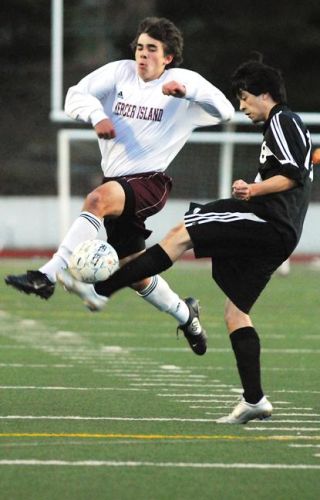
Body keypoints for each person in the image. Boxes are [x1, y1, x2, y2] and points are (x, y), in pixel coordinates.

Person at [57, 59, 313, 424]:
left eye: (244, 98)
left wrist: (253, 188)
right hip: (279, 233)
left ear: (265, 94)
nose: (242, 106)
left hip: (266, 219)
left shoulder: (282, 121)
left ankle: (100, 291)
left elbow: (292, 175)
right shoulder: (283, 125)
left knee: (181, 234)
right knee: (235, 313)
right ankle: (254, 399)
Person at [5, 17, 234, 355]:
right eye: (140, 48)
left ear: (168, 57)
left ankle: (47, 275)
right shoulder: (120, 72)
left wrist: (187, 93)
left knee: (96, 200)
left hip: (150, 182)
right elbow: (75, 95)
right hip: (117, 182)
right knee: (136, 271)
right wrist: (97, 116)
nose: (143, 55)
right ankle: (187, 315)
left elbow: (226, 111)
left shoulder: (182, 81)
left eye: (152, 50)